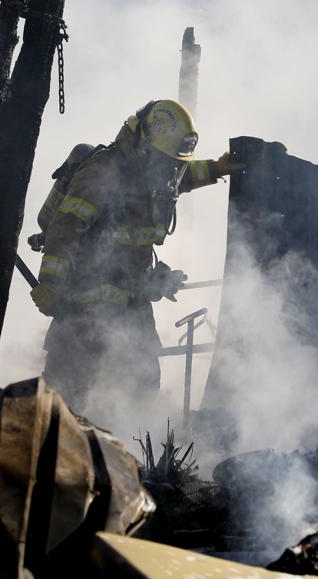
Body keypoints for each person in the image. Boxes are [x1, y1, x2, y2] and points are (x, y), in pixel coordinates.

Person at [29, 99, 243, 414]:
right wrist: (49, 283)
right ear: (144, 148)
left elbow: (180, 178)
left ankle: (124, 441)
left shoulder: (155, 175)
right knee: (65, 396)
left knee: (141, 386)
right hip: (83, 302)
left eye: (172, 164)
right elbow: (64, 229)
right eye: (164, 162)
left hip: (132, 302)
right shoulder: (102, 173)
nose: (169, 170)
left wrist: (215, 169)